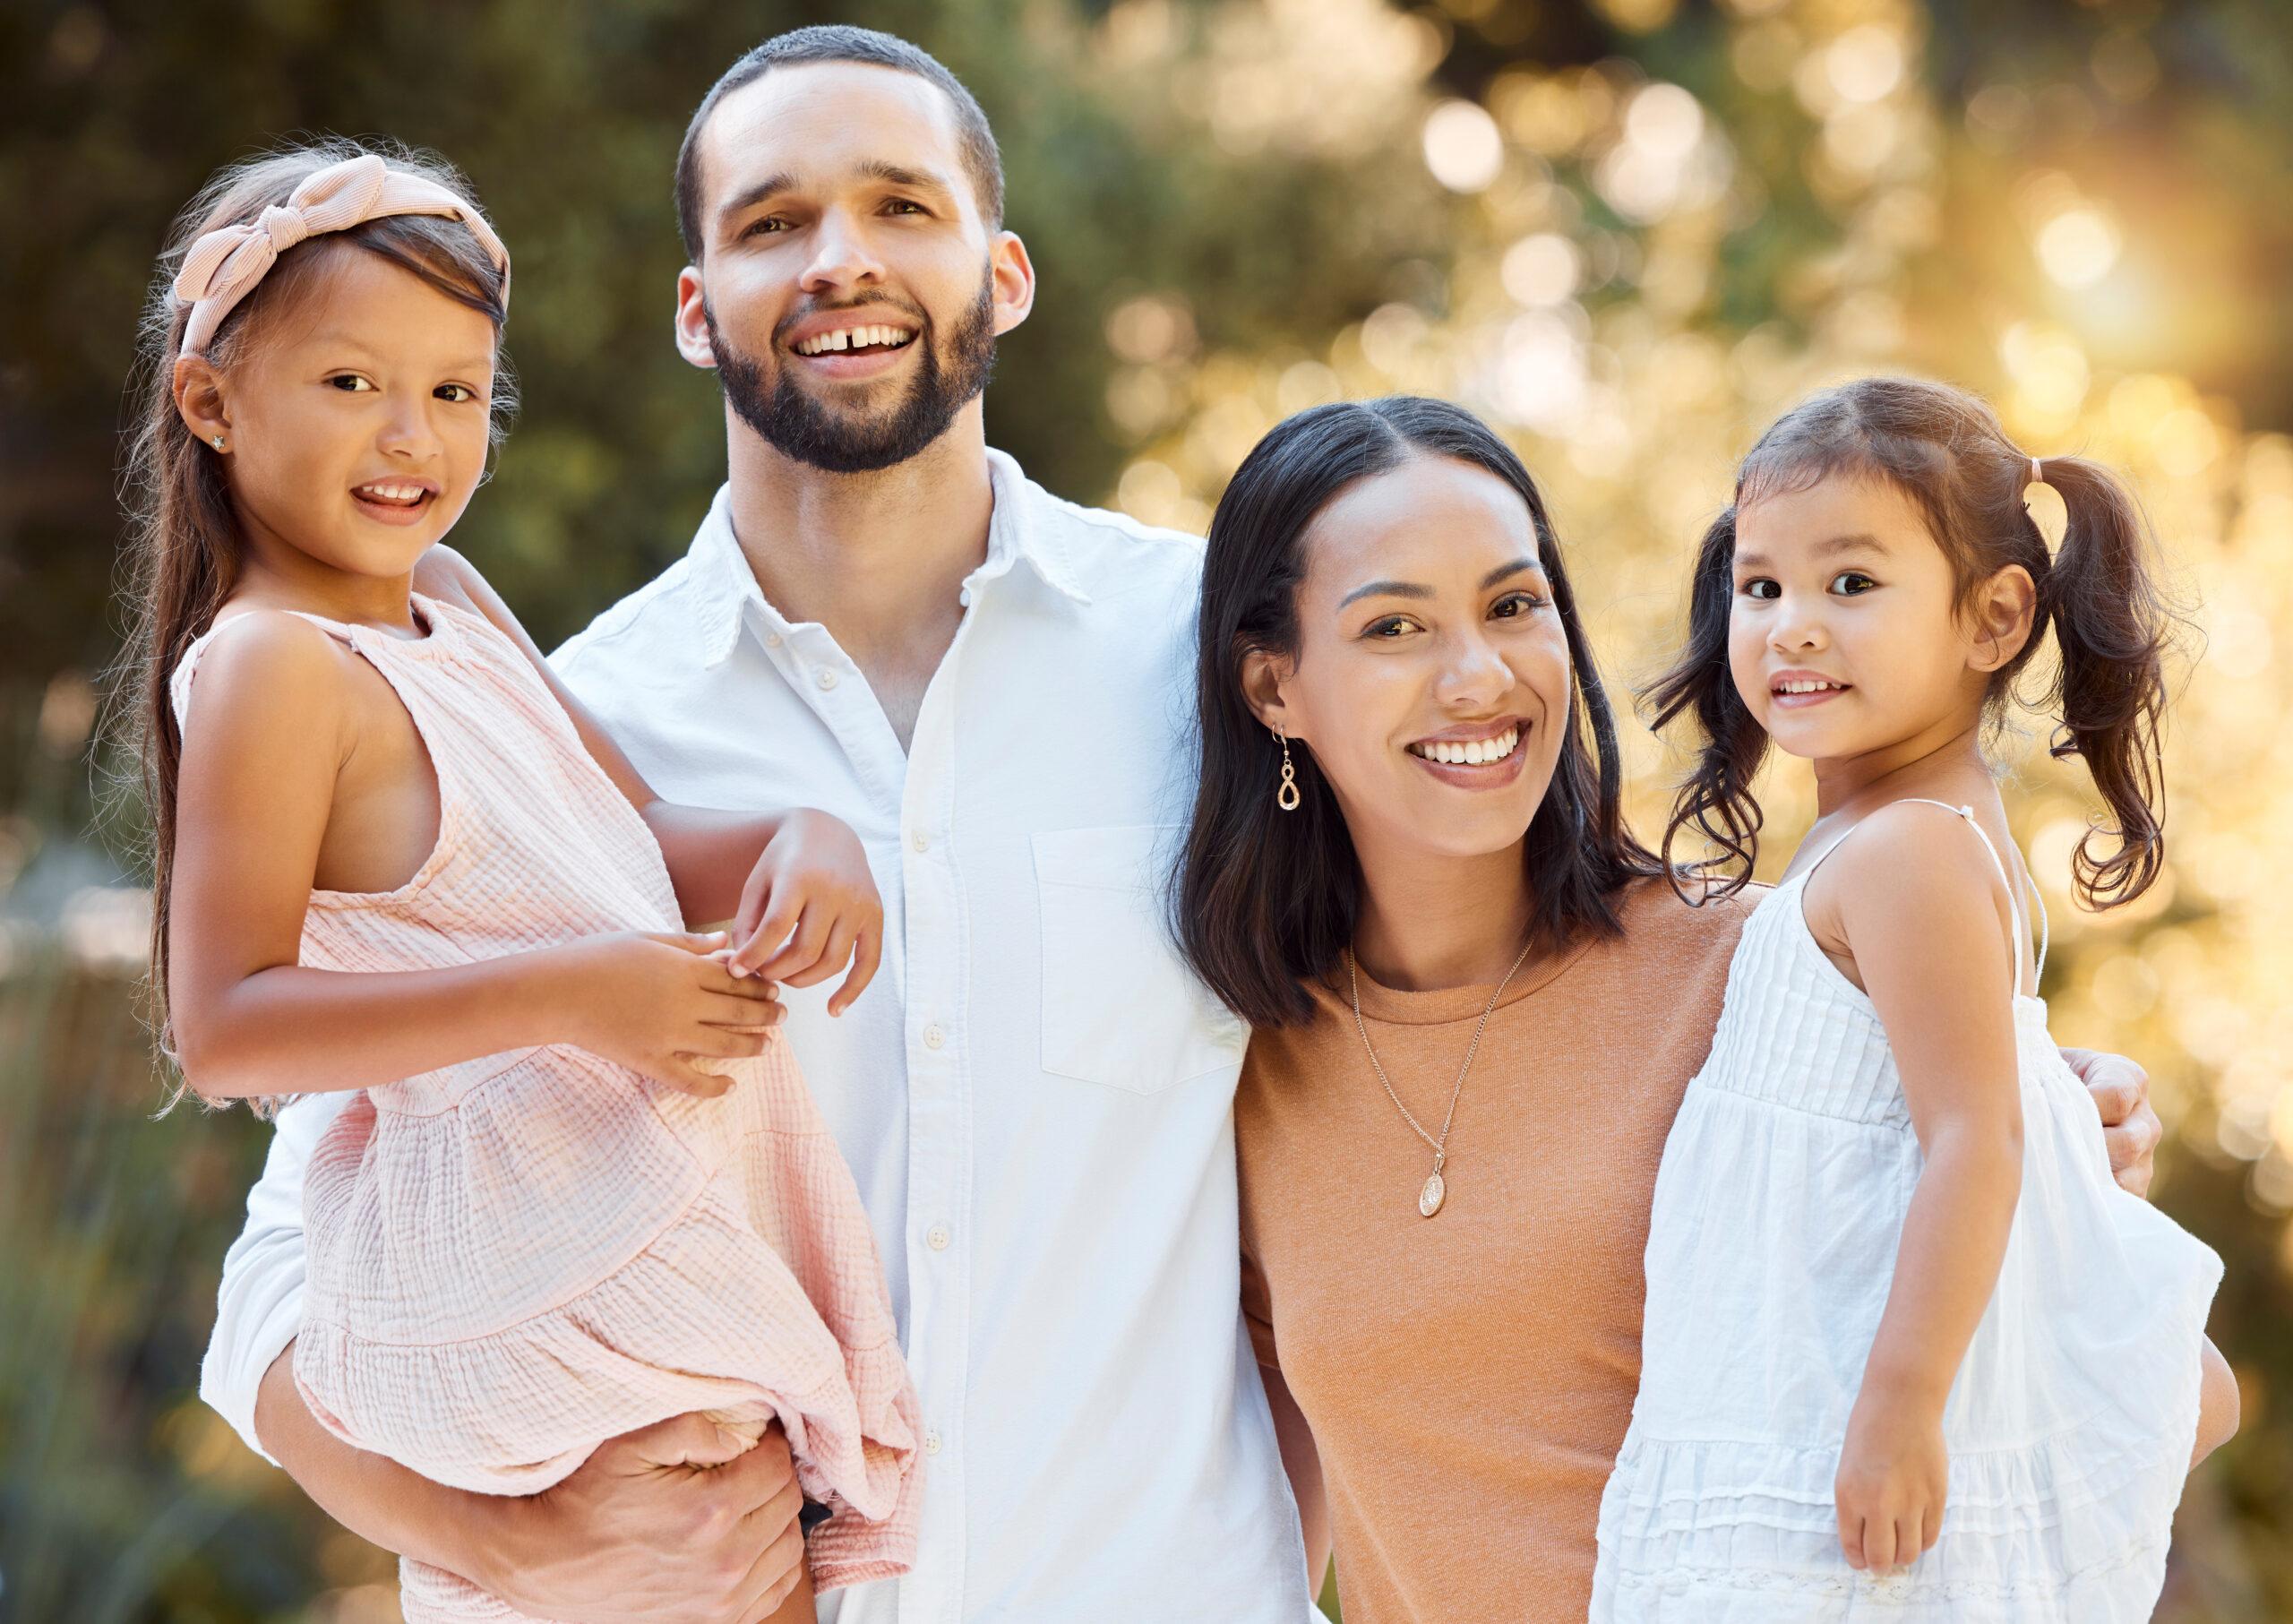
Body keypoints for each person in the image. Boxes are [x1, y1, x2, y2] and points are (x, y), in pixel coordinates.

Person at [193, 30, 1318, 1624]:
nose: (840, 258)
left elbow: (1391, 1092)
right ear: (693, 305)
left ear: (1001, 273)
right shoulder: (550, 725)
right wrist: (518, 1550)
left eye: (900, 207)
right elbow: (279, 1283)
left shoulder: (1214, 662)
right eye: (774, 221)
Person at [1172, 395, 2176, 1624]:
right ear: (1274, 684)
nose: (1478, 674)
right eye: (1393, 625)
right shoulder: (1242, 1066)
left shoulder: (1759, 974)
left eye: (1512, 604)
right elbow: (1259, 1535)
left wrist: (2070, 1171)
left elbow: (2166, 1387)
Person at [131, 140, 923, 1621]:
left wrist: (791, 835)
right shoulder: (268, 666)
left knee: (747, 1543)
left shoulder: (446, 596)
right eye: (351, 383)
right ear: (213, 402)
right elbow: (224, 1025)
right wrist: (572, 995)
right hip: (516, 1266)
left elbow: (638, 836)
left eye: (454, 391)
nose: (411, 435)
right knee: (690, 1536)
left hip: (612, 1225)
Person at [1591, 376, 2235, 1620]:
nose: (1792, 627)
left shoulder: (1908, 853)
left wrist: (1900, 1407)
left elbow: (1973, 1135)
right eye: (1762, 584)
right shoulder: (1889, 840)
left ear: (1994, 619)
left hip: (1839, 1431)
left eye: (1851, 583)